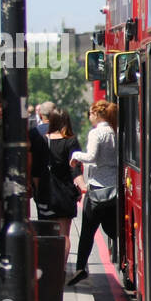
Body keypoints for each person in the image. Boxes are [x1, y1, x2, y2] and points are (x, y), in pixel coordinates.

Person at [68, 100, 118, 285]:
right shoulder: (115, 132)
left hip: (97, 190)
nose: (89, 117)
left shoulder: (96, 133)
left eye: (90, 114)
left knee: (87, 232)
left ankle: (81, 268)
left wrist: (75, 156)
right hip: (114, 189)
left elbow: (91, 157)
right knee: (112, 228)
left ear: (97, 115)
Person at [37, 109, 82, 265]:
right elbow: (75, 168)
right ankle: (60, 268)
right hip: (65, 193)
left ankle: (48, 266)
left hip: (46, 192)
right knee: (64, 235)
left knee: (47, 233)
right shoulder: (71, 141)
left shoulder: (43, 140)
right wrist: (82, 186)